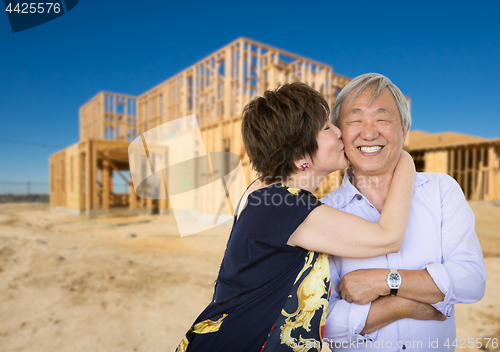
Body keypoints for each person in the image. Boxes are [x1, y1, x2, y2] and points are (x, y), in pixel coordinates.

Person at [176, 82, 416, 352]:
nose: (339, 132)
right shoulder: (286, 207)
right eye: (326, 127)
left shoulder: (262, 193)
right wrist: (403, 158)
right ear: (301, 153)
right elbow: (388, 237)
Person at [321, 73, 487, 351]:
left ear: (404, 130)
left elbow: (471, 280)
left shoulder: (441, 191)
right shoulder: (324, 213)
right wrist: (401, 306)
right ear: (339, 134)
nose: (369, 132)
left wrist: (384, 281)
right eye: (355, 120)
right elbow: (322, 322)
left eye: (382, 119)